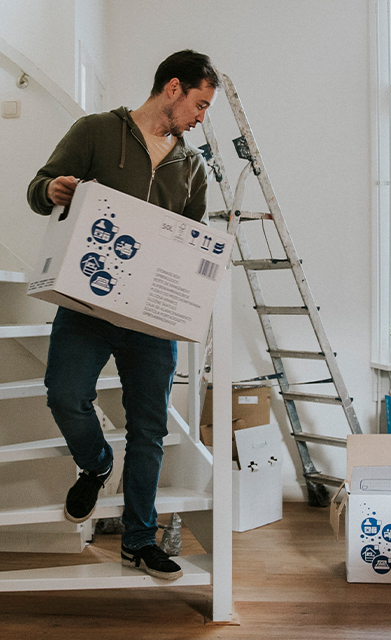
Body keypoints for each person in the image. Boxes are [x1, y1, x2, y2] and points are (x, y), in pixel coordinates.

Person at [26, 50, 219, 580]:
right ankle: (95, 463)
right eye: (200, 104)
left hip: (150, 319)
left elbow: (191, 241)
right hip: (87, 304)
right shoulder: (94, 132)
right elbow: (37, 189)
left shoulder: (192, 166)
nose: (202, 117)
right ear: (173, 88)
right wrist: (52, 189)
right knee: (65, 394)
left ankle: (138, 539)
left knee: (149, 429)